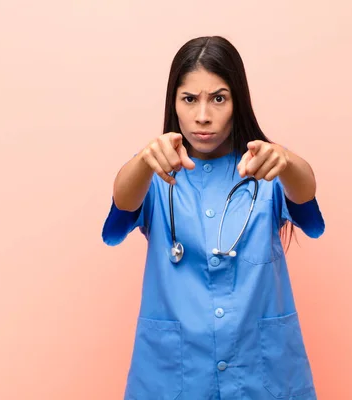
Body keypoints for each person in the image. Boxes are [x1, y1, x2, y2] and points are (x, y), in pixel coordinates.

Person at [102, 36, 325, 400]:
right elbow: (121, 207)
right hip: (173, 378)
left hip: (261, 375)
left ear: (238, 102)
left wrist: (284, 158)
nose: (202, 115)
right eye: (189, 99)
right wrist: (143, 159)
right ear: (174, 102)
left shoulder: (264, 172)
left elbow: (307, 201)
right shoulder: (155, 175)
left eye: (218, 98)